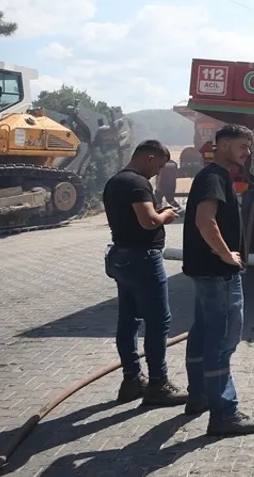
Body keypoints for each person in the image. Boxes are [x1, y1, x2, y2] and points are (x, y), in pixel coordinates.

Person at [182, 124, 254, 436]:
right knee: (221, 341)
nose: (247, 153)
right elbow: (205, 220)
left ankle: (199, 395)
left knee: (203, 332)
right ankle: (224, 414)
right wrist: (226, 254)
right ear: (224, 144)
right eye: (243, 146)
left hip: (206, 273)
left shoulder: (212, 176)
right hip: (218, 275)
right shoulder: (214, 177)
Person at [102, 140, 188, 406]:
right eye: (159, 165)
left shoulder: (115, 181)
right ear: (149, 158)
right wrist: (166, 215)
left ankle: (131, 380)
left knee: (128, 320)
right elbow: (148, 221)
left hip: (121, 256)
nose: (159, 172)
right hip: (142, 259)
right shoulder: (138, 184)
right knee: (158, 321)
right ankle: (158, 384)